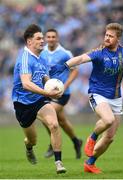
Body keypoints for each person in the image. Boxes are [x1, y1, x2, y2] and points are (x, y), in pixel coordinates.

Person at [50, 23, 123, 174]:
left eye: (110, 36)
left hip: (116, 98)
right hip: (97, 94)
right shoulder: (99, 52)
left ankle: (90, 163)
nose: (107, 38)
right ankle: (92, 138)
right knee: (108, 120)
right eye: (106, 35)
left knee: (110, 137)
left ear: (118, 38)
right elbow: (81, 58)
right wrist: (65, 65)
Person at [12, 24, 66, 174]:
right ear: (29, 42)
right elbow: (26, 83)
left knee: (54, 125)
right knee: (32, 140)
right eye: (39, 38)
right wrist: (46, 92)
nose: (43, 41)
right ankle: (29, 148)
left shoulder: (41, 57)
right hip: (22, 103)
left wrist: (53, 87)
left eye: (43, 38)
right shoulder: (24, 59)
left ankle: (58, 162)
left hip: (39, 100)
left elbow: (44, 76)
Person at [40, 28, 82, 159]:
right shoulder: (42, 53)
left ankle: (53, 144)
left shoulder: (65, 53)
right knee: (62, 121)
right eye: (49, 37)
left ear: (57, 38)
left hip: (61, 94)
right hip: (47, 91)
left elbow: (75, 71)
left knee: (46, 115)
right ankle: (76, 141)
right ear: (45, 38)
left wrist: (65, 85)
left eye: (53, 37)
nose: (51, 39)